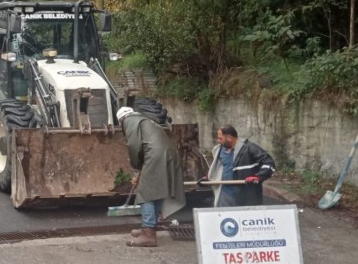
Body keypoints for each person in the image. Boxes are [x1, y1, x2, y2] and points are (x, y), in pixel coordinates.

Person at [117, 106, 185, 248]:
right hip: (168, 153)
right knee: (156, 190)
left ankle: (148, 234)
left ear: (121, 119)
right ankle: (148, 226)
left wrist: (137, 166)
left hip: (156, 155)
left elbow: (134, 146)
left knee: (145, 192)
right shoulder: (144, 119)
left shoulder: (128, 121)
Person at [200, 124, 275, 207]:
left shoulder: (249, 148)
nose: (218, 140)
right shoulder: (218, 150)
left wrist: (258, 176)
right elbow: (220, 167)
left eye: (220, 138)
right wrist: (209, 177)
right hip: (224, 194)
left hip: (245, 195)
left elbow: (269, 163)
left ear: (229, 138)